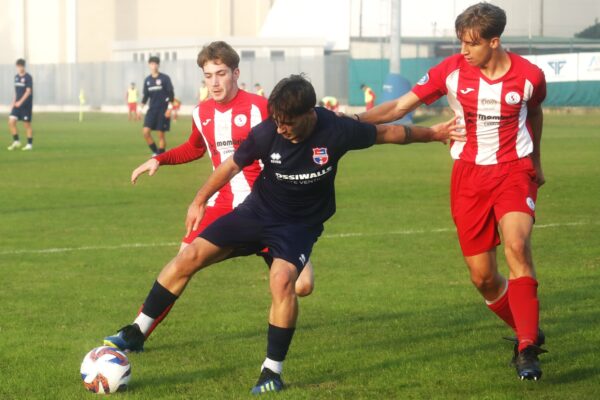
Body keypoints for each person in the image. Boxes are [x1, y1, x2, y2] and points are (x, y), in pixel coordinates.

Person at [103, 74, 458, 394]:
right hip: (257, 212)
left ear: (309, 114)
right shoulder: (267, 131)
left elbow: (391, 132)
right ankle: (137, 331)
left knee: (283, 280)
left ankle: (271, 371)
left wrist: (435, 133)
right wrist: (199, 199)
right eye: (278, 121)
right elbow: (230, 165)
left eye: (289, 122)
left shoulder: (336, 129)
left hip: (298, 226)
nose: (282, 128)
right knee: (190, 255)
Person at [354, 2, 548, 381]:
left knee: (517, 245)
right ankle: (529, 326)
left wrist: (536, 161)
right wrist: (344, 122)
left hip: (513, 171)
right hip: (469, 177)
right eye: (460, 42)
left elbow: (534, 113)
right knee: (483, 279)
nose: (463, 51)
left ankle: (526, 348)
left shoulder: (530, 76)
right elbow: (398, 106)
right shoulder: (452, 71)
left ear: (495, 41)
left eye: (471, 44)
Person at [113, 41, 315, 344]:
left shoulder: (261, 107)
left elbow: (294, 136)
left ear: (235, 73)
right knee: (183, 260)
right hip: (222, 205)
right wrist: (159, 158)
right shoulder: (202, 112)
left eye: (221, 73)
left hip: (268, 207)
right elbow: (195, 148)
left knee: (302, 286)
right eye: (208, 76)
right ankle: (136, 333)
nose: (215, 82)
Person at [139, 56, 174, 155]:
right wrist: (139, 109)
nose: (154, 66)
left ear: (158, 65)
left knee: (161, 135)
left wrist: (169, 109)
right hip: (152, 110)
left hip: (163, 110)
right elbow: (145, 96)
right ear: (149, 65)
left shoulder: (165, 78)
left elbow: (171, 94)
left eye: (155, 64)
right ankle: (155, 152)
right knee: (145, 132)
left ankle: (161, 154)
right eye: (152, 64)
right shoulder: (147, 80)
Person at [7, 59, 34, 151]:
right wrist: (13, 102)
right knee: (11, 122)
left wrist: (20, 102)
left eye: (20, 66)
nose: (18, 68)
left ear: (23, 66)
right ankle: (16, 141)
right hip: (17, 105)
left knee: (27, 125)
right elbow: (16, 91)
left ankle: (29, 144)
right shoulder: (16, 77)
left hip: (25, 105)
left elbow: (28, 92)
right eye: (17, 66)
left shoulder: (28, 77)